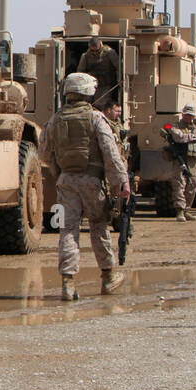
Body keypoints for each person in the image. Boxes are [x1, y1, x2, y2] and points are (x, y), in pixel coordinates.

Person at [39, 72, 130, 301]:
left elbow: (43, 153)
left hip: (66, 182)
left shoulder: (55, 120)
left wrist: (60, 168)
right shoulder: (96, 118)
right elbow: (110, 153)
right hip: (92, 181)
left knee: (67, 231)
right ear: (88, 92)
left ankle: (67, 285)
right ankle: (109, 277)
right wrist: (121, 182)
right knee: (99, 227)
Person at [163, 104, 196, 221]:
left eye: (191, 115)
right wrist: (195, 137)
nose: (189, 117)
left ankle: (187, 209)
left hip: (193, 160)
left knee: (193, 184)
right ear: (183, 114)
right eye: (187, 115)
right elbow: (179, 137)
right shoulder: (174, 125)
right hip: (180, 159)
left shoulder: (195, 127)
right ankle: (180, 210)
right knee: (179, 184)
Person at [77, 37, 120, 107]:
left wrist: (119, 80)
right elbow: (80, 72)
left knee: (102, 104)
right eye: (92, 51)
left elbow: (118, 67)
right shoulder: (85, 56)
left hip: (106, 84)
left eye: (97, 51)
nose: (95, 53)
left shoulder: (109, 52)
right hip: (91, 84)